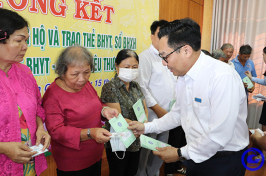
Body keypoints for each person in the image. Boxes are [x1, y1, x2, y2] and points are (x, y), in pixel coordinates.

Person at [128, 18, 249, 176]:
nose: (164, 63)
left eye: (165, 56)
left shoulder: (221, 77)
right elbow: (178, 114)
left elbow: (219, 135)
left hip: (223, 160)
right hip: (195, 155)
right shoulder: (183, 77)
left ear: (186, 50)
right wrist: (146, 127)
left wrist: (178, 153)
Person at [42, 45, 119, 176]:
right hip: (72, 162)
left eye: (87, 72)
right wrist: (90, 133)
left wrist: (104, 110)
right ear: (62, 71)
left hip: (95, 154)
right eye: (75, 74)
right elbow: (56, 131)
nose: (82, 79)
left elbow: (96, 103)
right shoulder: (53, 95)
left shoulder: (85, 85)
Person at [0, 8, 50, 176]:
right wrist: (3, 148)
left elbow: (36, 109)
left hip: (29, 165)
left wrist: (40, 129)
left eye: (26, 40)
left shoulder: (25, 72)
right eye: (19, 40)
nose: (25, 47)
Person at [135, 20, 186, 176]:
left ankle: (154, 173)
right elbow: (141, 87)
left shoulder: (169, 57)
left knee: (160, 151)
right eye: (160, 35)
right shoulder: (145, 57)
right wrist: (158, 110)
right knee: (144, 153)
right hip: (151, 116)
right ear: (152, 37)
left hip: (168, 115)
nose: (165, 38)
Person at [100, 49, 148, 176]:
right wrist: (139, 127)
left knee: (132, 172)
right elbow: (117, 118)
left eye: (134, 67)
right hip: (119, 142)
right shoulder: (110, 88)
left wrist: (144, 124)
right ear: (117, 66)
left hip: (136, 139)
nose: (131, 70)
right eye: (127, 67)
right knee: (118, 172)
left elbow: (144, 109)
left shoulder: (136, 86)